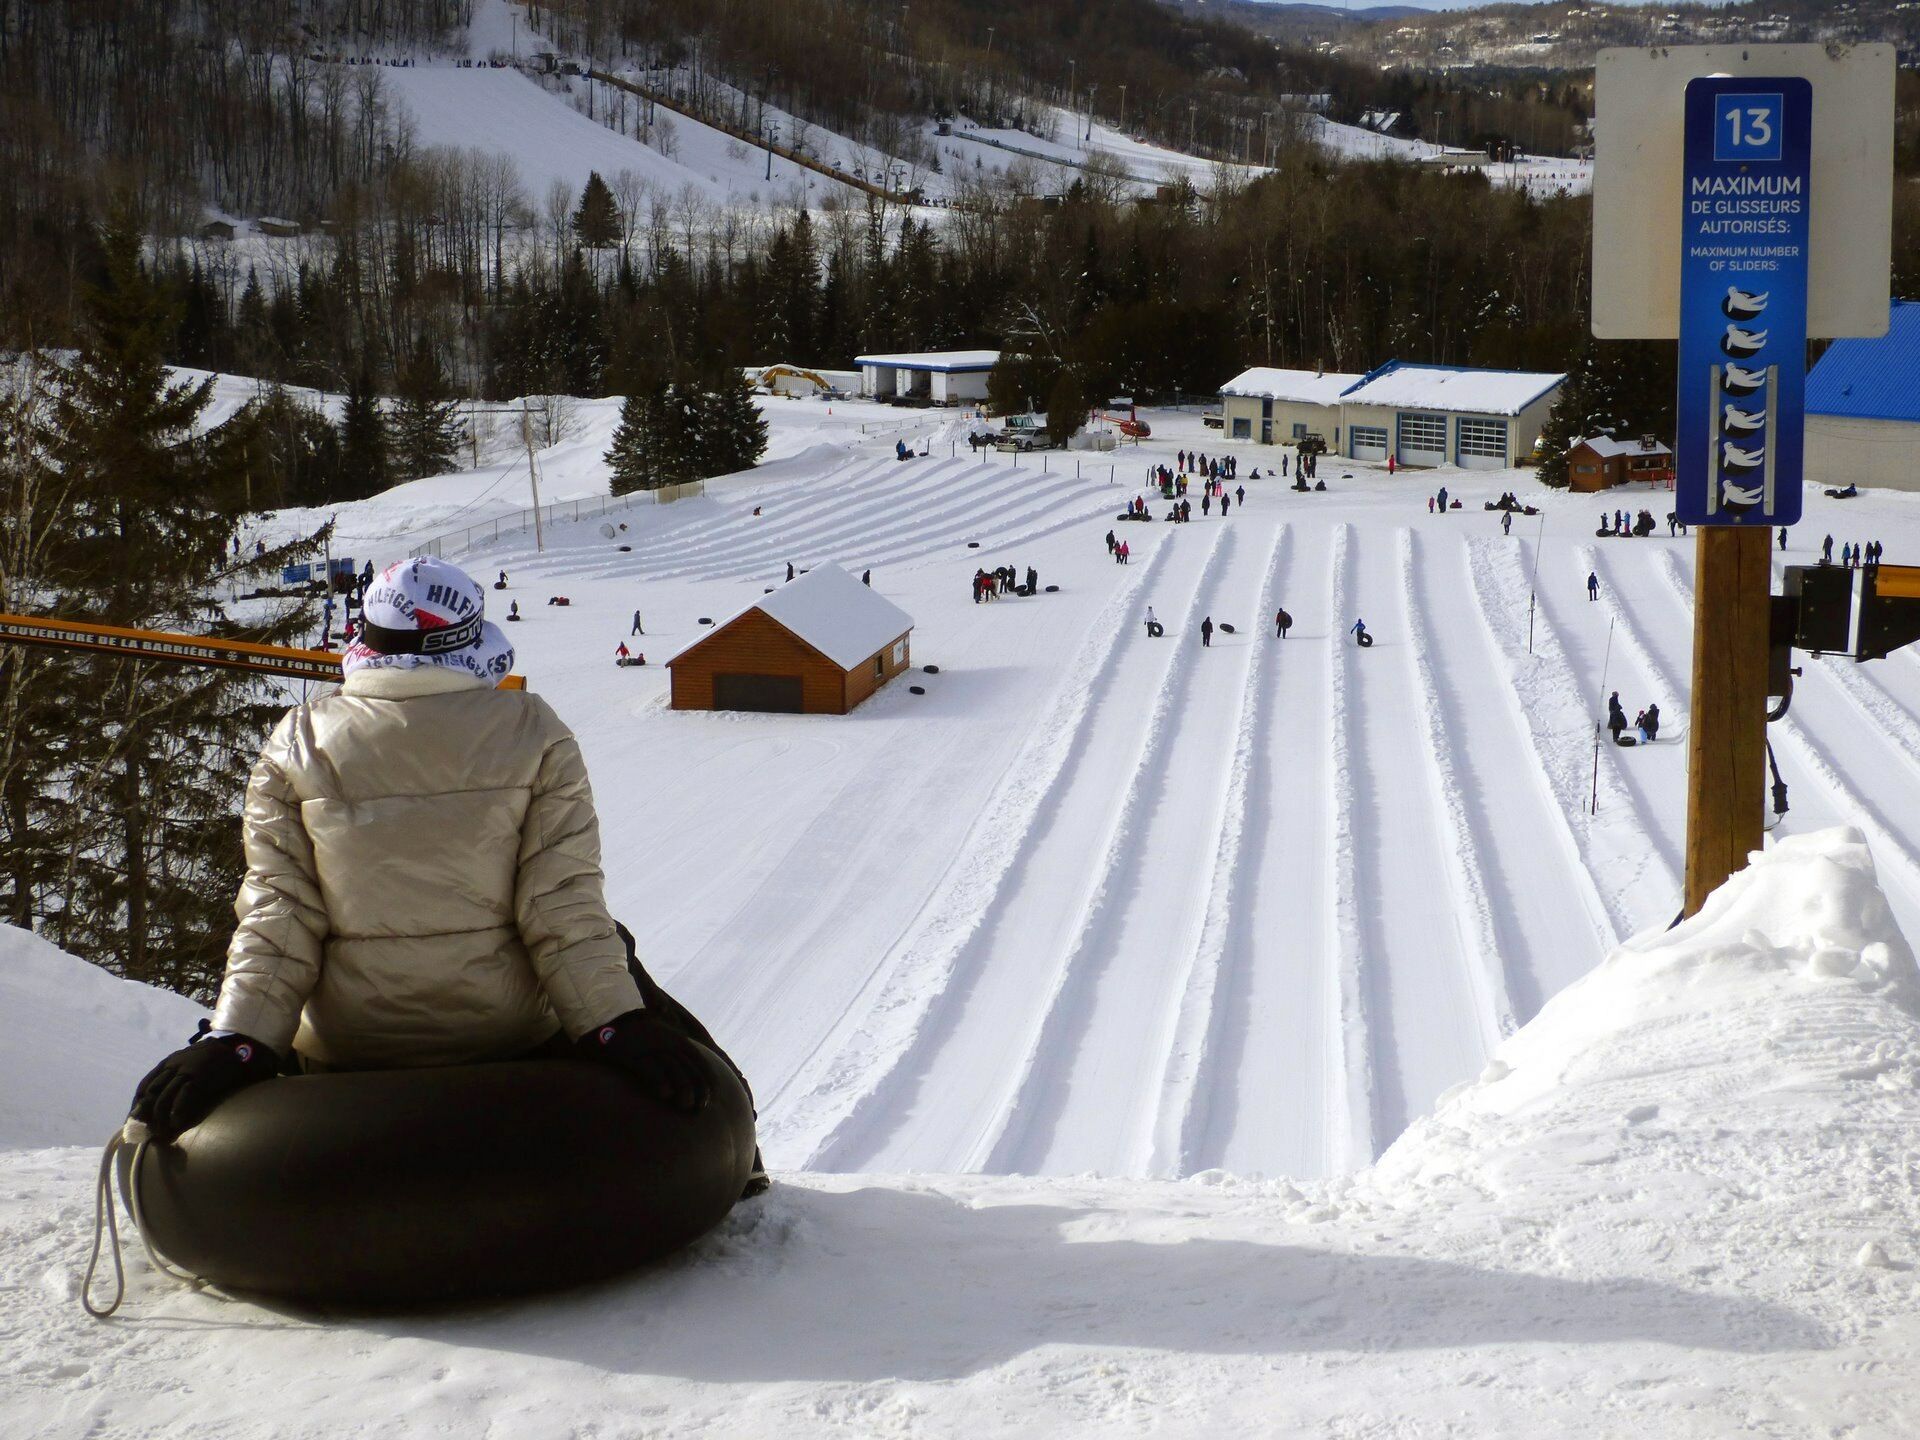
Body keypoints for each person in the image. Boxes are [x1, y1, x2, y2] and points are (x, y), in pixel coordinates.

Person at [124, 556, 764, 1194]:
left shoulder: (299, 741)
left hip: (353, 1043)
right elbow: (561, 906)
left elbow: (279, 915)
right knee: (613, 942)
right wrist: (615, 1023)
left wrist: (238, 1039)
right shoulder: (534, 731)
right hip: (507, 1031)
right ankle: (748, 1155)